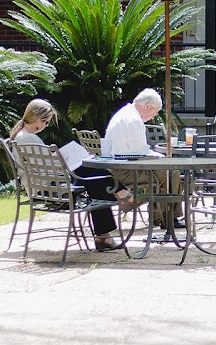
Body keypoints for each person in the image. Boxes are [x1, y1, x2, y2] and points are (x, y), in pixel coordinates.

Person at [10, 98, 125, 251]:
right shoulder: (29, 138)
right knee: (95, 176)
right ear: (38, 120)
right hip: (51, 189)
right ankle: (121, 197)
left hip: (42, 187)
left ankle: (106, 232)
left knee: (93, 178)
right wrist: (68, 160)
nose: (45, 126)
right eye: (46, 122)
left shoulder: (21, 136)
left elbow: (44, 166)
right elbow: (51, 169)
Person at [105, 88, 185, 229]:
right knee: (171, 172)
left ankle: (162, 217)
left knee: (167, 173)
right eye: (155, 111)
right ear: (148, 106)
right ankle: (167, 218)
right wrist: (162, 158)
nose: (154, 116)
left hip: (118, 166)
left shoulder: (124, 113)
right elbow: (140, 153)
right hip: (126, 169)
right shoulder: (134, 119)